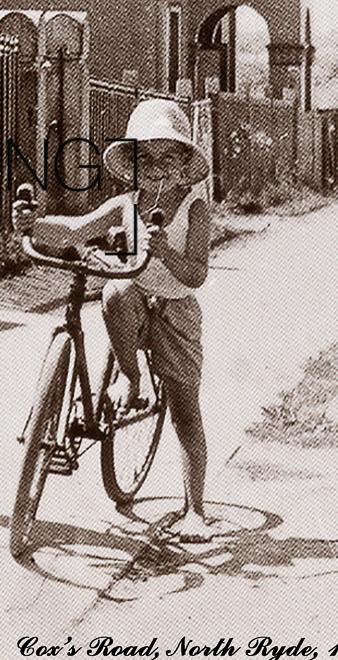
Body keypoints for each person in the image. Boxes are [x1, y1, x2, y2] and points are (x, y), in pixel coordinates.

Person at [12, 98, 214, 543]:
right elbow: (72, 231)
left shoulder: (194, 209)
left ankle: (195, 508)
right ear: (134, 166)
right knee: (116, 291)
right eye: (147, 159)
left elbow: (197, 274)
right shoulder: (127, 204)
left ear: (184, 164)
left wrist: (165, 253)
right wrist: (31, 225)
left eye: (168, 159)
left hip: (177, 306)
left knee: (185, 411)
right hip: (134, 295)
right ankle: (132, 379)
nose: (158, 169)